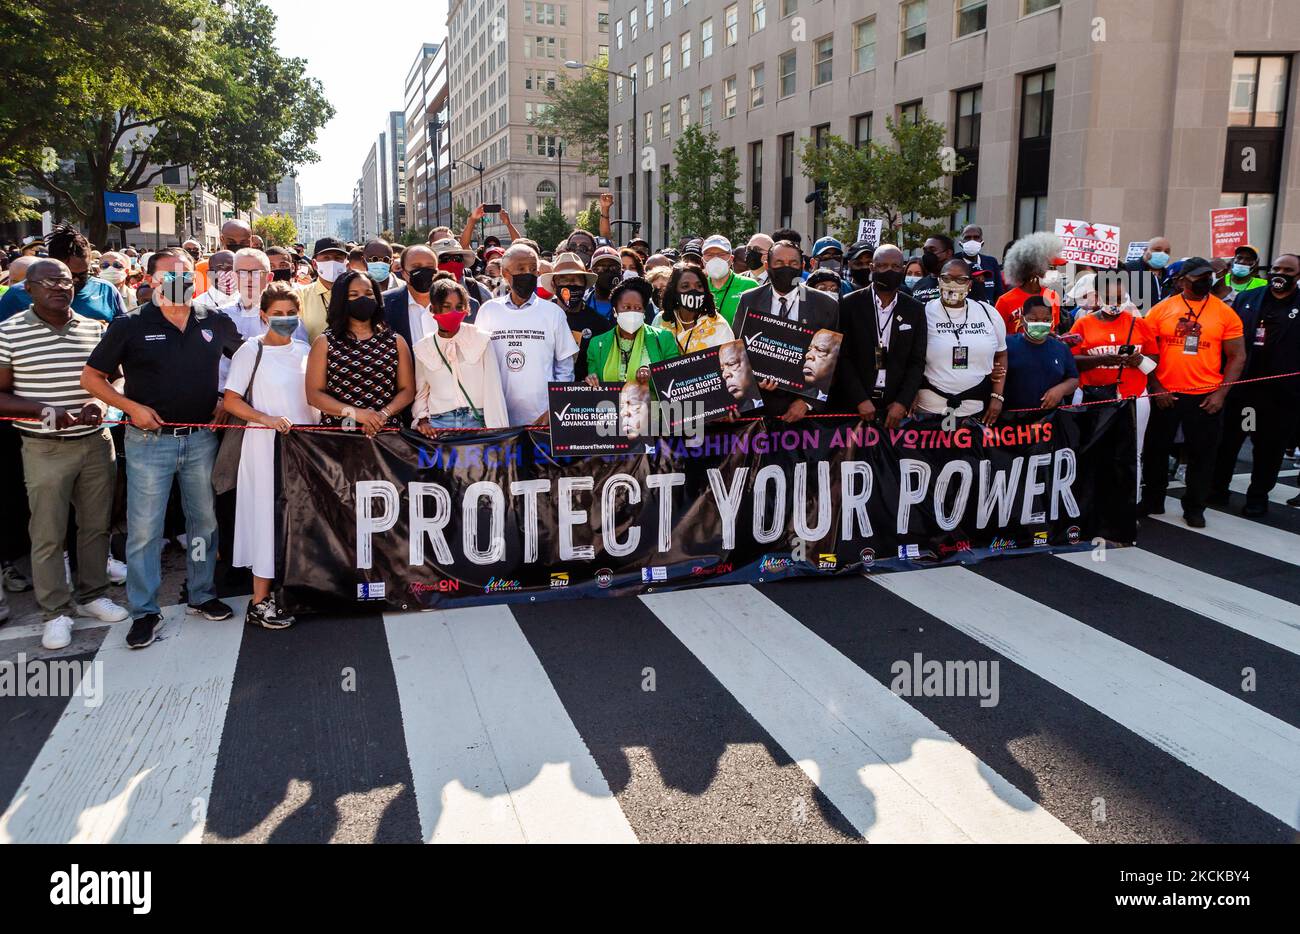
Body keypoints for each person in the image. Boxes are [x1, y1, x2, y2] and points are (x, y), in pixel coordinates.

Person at [81, 248, 241, 649]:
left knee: (203, 523)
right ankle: (145, 610)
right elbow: (92, 378)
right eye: (170, 274)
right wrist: (131, 408)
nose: (180, 280)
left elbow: (246, 360)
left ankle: (202, 594)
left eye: (186, 274)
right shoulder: (130, 325)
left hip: (201, 438)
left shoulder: (213, 321)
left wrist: (226, 398)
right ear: (151, 279)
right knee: (145, 531)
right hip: (149, 444)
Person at [0, 259, 129, 650]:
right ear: (28, 288)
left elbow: (116, 376)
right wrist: (42, 410)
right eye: (49, 281)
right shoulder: (8, 332)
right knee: (48, 533)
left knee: (95, 526)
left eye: (67, 280)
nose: (60, 286)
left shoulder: (95, 327)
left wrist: (101, 403)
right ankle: (55, 611)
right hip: (44, 446)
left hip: (95, 440)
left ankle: (92, 595)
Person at [219, 285, 317, 629]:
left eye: (291, 313)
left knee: (297, 518)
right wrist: (267, 419)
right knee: (265, 517)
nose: (285, 319)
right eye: (277, 313)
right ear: (263, 315)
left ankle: (294, 592)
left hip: (304, 451)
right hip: (264, 448)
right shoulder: (251, 350)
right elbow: (231, 400)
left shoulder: (306, 350)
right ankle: (259, 602)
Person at [1139, 256, 1246, 527]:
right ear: (1181, 281)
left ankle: (1195, 506)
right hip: (1165, 394)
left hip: (1205, 396)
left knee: (1203, 454)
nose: (1205, 280)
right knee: (1155, 450)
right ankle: (1153, 499)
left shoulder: (1225, 313)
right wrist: (1156, 386)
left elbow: (1237, 356)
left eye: (1208, 276)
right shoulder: (1161, 310)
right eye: (1198, 276)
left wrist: (1221, 393)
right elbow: (1147, 352)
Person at [1211, 253, 1300, 515]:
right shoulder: (1248, 299)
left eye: (1288, 270)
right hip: (1244, 390)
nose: (1280, 274)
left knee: (1268, 448)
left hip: (1281, 396)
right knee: (1230, 442)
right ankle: (1218, 489)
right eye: (1276, 268)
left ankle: (1257, 495)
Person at [732, 240, 840, 420]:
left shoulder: (825, 304)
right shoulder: (749, 300)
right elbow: (738, 352)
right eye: (779, 263)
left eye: (793, 263)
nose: (786, 268)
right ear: (767, 266)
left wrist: (807, 402)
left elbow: (832, 360)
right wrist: (755, 381)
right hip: (760, 406)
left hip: (804, 412)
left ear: (802, 266)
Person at [474, 243, 579, 426]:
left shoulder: (553, 313)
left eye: (532, 269)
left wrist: (554, 408)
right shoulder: (489, 310)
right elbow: (477, 361)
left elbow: (565, 367)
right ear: (506, 274)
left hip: (543, 419)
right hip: (498, 418)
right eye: (521, 269)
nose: (528, 274)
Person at [306, 269, 415, 436]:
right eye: (353, 294)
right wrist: (355, 413)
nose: (362, 298)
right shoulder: (324, 342)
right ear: (341, 300)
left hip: (387, 436)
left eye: (368, 293)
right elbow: (314, 394)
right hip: (338, 438)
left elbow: (407, 390)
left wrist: (382, 415)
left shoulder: (396, 341)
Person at [836, 244, 927, 428]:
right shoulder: (849, 304)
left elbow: (917, 361)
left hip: (895, 408)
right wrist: (859, 399)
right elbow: (842, 357)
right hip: (854, 406)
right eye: (883, 266)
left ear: (903, 269)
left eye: (895, 267)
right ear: (872, 268)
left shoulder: (915, 309)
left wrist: (902, 401)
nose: (889, 271)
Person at [913, 258, 1008, 426]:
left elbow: (1001, 355)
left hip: (976, 410)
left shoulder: (989, 314)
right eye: (947, 278)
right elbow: (911, 359)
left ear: (970, 284)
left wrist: (997, 396)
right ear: (939, 281)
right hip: (929, 411)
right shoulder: (922, 312)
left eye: (960, 279)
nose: (953, 284)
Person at [412, 277, 508, 431]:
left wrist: (497, 432)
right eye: (446, 306)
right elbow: (422, 393)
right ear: (433, 309)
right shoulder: (423, 347)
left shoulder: (480, 339)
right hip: (439, 425)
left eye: (459, 307)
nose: (453, 312)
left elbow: (493, 389)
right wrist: (422, 420)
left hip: (477, 422)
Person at [0, 226, 125, 324]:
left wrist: (102, 332)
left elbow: (125, 336)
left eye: (84, 274)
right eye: (69, 275)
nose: (75, 281)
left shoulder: (107, 291)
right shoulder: (17, 295)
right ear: (50, 262)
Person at [584, 277, 679, 386]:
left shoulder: (664, 339)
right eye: (626, 307)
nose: (632, 312)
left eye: (638, 308)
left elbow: (674, 378)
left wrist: (653, 375)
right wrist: (591, 379)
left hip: (651, 403)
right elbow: (594, 378)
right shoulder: (596, 344)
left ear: (644, 311)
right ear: (615, 310)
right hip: (609, 403)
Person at [1002, 297, 1080, 412]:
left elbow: (1073, 379)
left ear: (1052, 321)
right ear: (1023, 320)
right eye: (1033, 320)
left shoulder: (1061, 348)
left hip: (1049, 419)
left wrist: (1061, 389)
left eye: (1046, 320)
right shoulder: (1007, 345)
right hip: (1011, 418)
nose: (1040, 324)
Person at [539, 252, 607, 379]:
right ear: (553, 285)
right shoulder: (540, 317)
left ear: (585, 284)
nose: (571, 284)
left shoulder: (599, 324)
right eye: (564, 279)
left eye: (576, 279)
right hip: (546, 393)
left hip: (583, 394)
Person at [655, 263, 736, 353]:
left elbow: (729, 361)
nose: (694, 290)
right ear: (674, 291)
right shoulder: (661, 320)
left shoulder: (719, 326)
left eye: (699, 286)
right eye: (685, 286)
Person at [996, 232, 1065, 333]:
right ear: (1034, 269)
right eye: (1051, 268)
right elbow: (997, 335)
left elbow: (1054, 329)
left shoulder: (1053, 297)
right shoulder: (1005, 301)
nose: (1056, 272)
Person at [299, 237, 349, 342]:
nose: (332, 262)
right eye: (326, 258)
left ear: (346, 264)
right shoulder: (300, 295)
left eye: (338, 258)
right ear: (314, 264)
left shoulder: (355, 293)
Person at [702, 235, 759, 326]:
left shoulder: (749, 286)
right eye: (709, 255)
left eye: (721, 254)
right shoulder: (699, 287)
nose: (716, 259)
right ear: (702, 260)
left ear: (731, 259)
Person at [1122, 236, 1174, 311]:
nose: (1162, 254)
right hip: (1135, 320)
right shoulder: (1129, 269)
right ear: (1145, 250)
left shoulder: (1169, 277)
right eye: (1157, 250)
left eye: (1166, 252)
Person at [958, 224, 1005, 302]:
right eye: (967, 237)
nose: (972, 241)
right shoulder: (954, 263)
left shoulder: (991, 262)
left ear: (982, 242)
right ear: (961, 242)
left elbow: (999, 293)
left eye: (976, 237)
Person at [909, 235, 955, 305]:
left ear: (948, 253)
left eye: (932, 250)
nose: (928, 254)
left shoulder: (960, 283)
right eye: (925, 251)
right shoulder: (919, 284)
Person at [584, 246, 623, 318]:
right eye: (600, 268)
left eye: (614, 268)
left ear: (621, 271)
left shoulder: (630, 304)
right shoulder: (582, 304)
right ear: (591, 272)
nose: (607, 271)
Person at [193, 250, 237, 314]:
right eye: (221, 269)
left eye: (233, 269)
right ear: (209, 274)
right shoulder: (198, 305)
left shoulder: (247, 301)